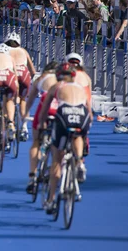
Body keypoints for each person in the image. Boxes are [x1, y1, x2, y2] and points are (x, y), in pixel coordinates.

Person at [38, 63, 91, 214]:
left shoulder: (57, 87)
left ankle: (51, 199)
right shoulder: (80, 87)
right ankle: (80, 161)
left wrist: (42, 125)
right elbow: (89, 111)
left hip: (64, 116)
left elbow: (45, 108)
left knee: (57, 158)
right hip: (81, 115)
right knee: (78, 135)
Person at [23, 61, 59, 193]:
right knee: (59, 147)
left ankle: (32, 175)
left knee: (36, 142)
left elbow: (30, 99)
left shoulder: (41, 78)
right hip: (60, 110)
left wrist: (25, 116)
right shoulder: (64, 80)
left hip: (45, 108)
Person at [5, 32, 36, 140]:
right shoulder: (23, 51)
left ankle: (10, 123)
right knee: (23, 100)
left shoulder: (5, 51)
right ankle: (24, 127)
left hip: (11, 75)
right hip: (24, 74)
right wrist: (30, 80)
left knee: (8, 99)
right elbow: (32, 70)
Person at [66, 52, 91, 180]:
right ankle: (80, 161)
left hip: (65, 109)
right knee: (81, 133)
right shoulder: (86, 77)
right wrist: (90, 116)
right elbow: (88, 100)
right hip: (82, 110)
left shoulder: (65, 76)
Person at [0, 43, 18, 144]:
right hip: (8, 77)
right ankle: (10, 122)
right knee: (9, 100)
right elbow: (16, 75)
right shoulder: (10, 57)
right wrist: (16, 96)